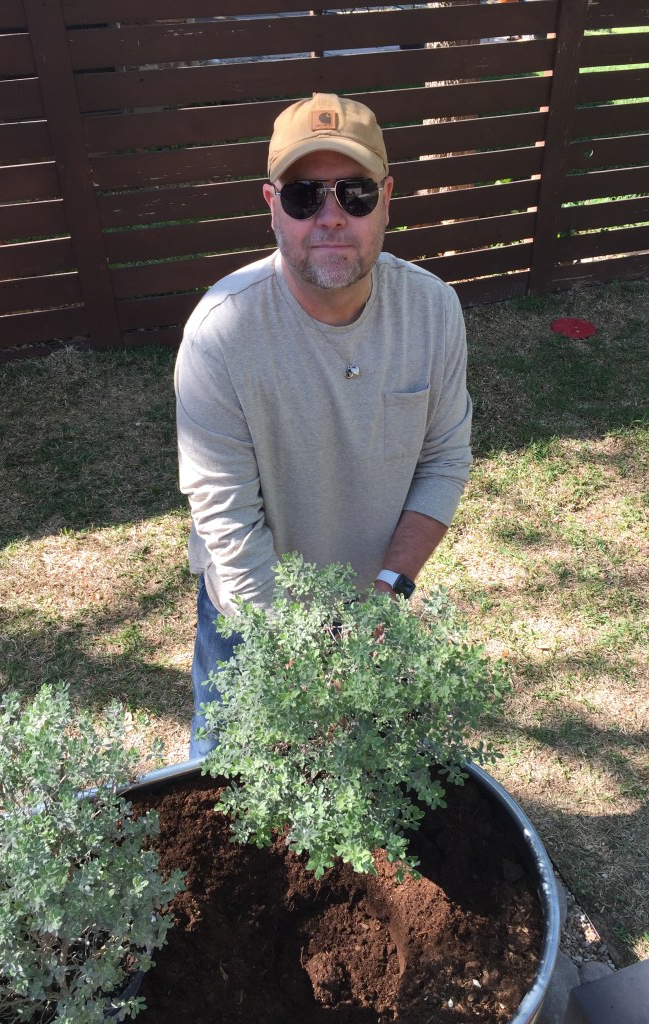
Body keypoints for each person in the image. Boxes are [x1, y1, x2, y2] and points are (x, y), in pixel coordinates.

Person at [175, 93, 473, 758]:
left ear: (388, 198)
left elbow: (444, 461)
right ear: (271, 204)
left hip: (372, 609)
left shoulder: (434, 310)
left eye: (356, 193)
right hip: (251, 618)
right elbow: (227, 521)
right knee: (226, 791)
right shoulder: (219, 334)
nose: (332, 218)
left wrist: (388, 590)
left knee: (363, 801)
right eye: (306, 196)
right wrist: (301, 659)